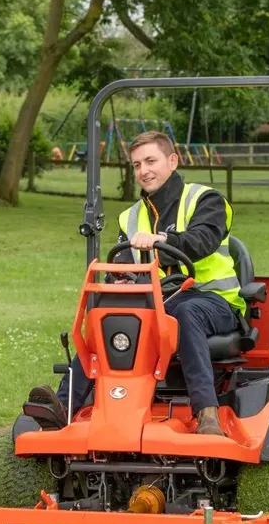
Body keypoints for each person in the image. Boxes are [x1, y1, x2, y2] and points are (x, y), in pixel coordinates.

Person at [26, 130, 244, 437]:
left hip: (214, 301)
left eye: (151, 161)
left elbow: (203, 240)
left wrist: (162, 240)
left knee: (187, 312)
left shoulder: (205, 200)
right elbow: (122, 265)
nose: (144, 170)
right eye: (137, 165)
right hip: (159, 301)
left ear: (172, 160)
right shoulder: (130, 217)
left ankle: (207, 413)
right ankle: (65, 408)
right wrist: (121, 276)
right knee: (108, 312)